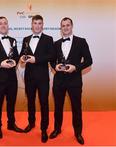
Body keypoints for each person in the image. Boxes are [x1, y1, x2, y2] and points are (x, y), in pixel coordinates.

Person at [50, 17, 93, 145]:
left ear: (72, 26)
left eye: (68, 25)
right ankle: (57, 129)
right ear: (61, 28)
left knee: (76, 108)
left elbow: (89, 60)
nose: (65, 27)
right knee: (58, 107)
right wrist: (55, 66)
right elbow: (52, 60)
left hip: (74, 81)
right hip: (59, 81)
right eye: (63, 26)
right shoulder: (56, 43)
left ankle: (78, 133)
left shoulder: (81, 41)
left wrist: (76, 68)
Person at [0, 16, 23, 139]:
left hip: (12, 78)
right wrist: (0, 64)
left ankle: (11, 124)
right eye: (0, 23)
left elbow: (17, 56)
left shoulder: (13, 40)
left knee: (11, 103)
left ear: (8, 26)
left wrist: (15, 62)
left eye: (5, 23)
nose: (3, 25)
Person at [20, 15, 54, 143]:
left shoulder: (48, 39)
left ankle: (44, 129)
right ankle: (31, 123)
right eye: (35, 23)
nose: (37, 25)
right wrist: (23, 58)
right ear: (32, 25)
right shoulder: (26, 39)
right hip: (29, 77)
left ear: (42, 25)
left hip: (43, 78)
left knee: (44, 103)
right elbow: (23, 54)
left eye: (40, 23)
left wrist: (36, 59)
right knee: (30, 102)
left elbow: (52, 56)